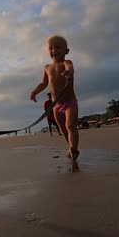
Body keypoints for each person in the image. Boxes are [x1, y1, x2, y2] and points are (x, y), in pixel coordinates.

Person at [30, 34, 79, 166]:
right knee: (63, 129)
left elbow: (70, 68)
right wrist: (35, 92)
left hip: (70, 102)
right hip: (56, 105)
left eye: (58, 47)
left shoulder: (66, 63)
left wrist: (69, 72)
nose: (54, 51)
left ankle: (74, 149)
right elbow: (43, 83)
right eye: (50, 48)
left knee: (70, 126)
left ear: (66, 51)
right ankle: (70, 146)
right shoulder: (47, 67)